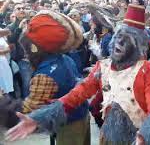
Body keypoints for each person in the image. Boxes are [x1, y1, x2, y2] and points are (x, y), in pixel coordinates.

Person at [5, 4, 150, 145]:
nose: (120, 42)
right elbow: (76, 95)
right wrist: (39, 117)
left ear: (137, 46)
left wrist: (147, 133)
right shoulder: (103, 67)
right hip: (109, 136)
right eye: (119, 36)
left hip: (138, 137)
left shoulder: (148, 69)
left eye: (128, 40)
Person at [1, 10, 90, 145]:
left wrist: (3, 102)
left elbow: (30, 109)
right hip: (80, 116)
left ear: (35, 48)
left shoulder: (45, 75)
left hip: (68, 124)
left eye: (26, 49)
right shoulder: (64, 58)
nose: (26, 54)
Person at [0, 29, 13, 95]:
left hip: (3, 63)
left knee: (5, 85)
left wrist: (1, 52)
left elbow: (8, 48)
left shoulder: (1, 36)